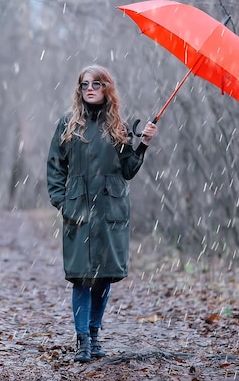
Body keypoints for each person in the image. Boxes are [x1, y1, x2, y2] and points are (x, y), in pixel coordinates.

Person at [46, 65, 157, 363]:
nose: (90, 89)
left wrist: (143, 142)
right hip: (78, 212)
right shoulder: (68, 124)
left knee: (104, 278)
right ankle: (82, 339)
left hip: (110, 212)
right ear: (79, 89)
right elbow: (55, 168)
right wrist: (63, 202)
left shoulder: (118, 125)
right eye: (84, 84)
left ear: (107, 87)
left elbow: (128, 170)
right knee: (81, 277)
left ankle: (94, 336)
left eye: (96, 83)